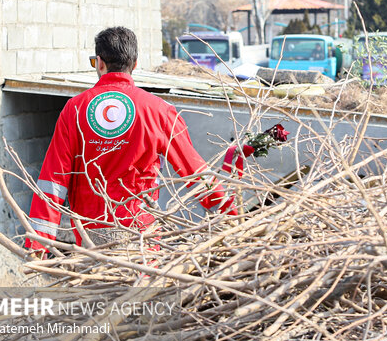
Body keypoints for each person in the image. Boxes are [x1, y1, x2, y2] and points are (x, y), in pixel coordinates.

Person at [26, 26, 235, 254]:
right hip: (141, 232)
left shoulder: (74, 110)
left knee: (94, 287)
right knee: (144, 287)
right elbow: (194, 170)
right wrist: (230, 218)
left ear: (99, 62)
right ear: (135, 64)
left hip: (90, 235)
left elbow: (53, 179)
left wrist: (38, 244)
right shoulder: (159, 111)